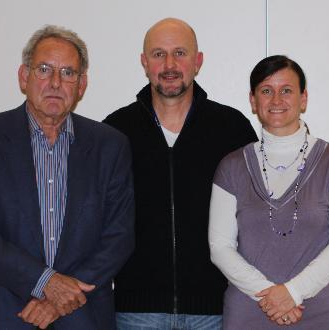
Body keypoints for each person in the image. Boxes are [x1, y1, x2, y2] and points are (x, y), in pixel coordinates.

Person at [0, 25, 134, 330]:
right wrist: (45, 283)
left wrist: (62, 297)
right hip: (2, 314)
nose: (55, 82)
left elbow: (119, 237)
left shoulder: (110, 145)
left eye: (68, 73)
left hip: (84, 316)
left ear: (82, 85)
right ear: (24, 76)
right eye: (44, 69)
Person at [103, 18, 257, 329]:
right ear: (144, 63)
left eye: (180, 53)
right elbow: (92, 217)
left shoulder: (231, 128)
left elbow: (263, 211)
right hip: (136, 313)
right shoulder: (116, 131)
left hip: (216, 311)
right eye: (159, 54)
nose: (170, 64)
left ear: (198, 61)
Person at [209, 55, 329, 329]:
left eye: (287, 90)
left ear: (303, 99)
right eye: (266, 91)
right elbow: (220, 247)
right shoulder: (231, 167)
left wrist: (292, 293)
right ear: (253, 101)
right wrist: (272, 297)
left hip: (321, 313)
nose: (276, 99)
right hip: (250, 310)